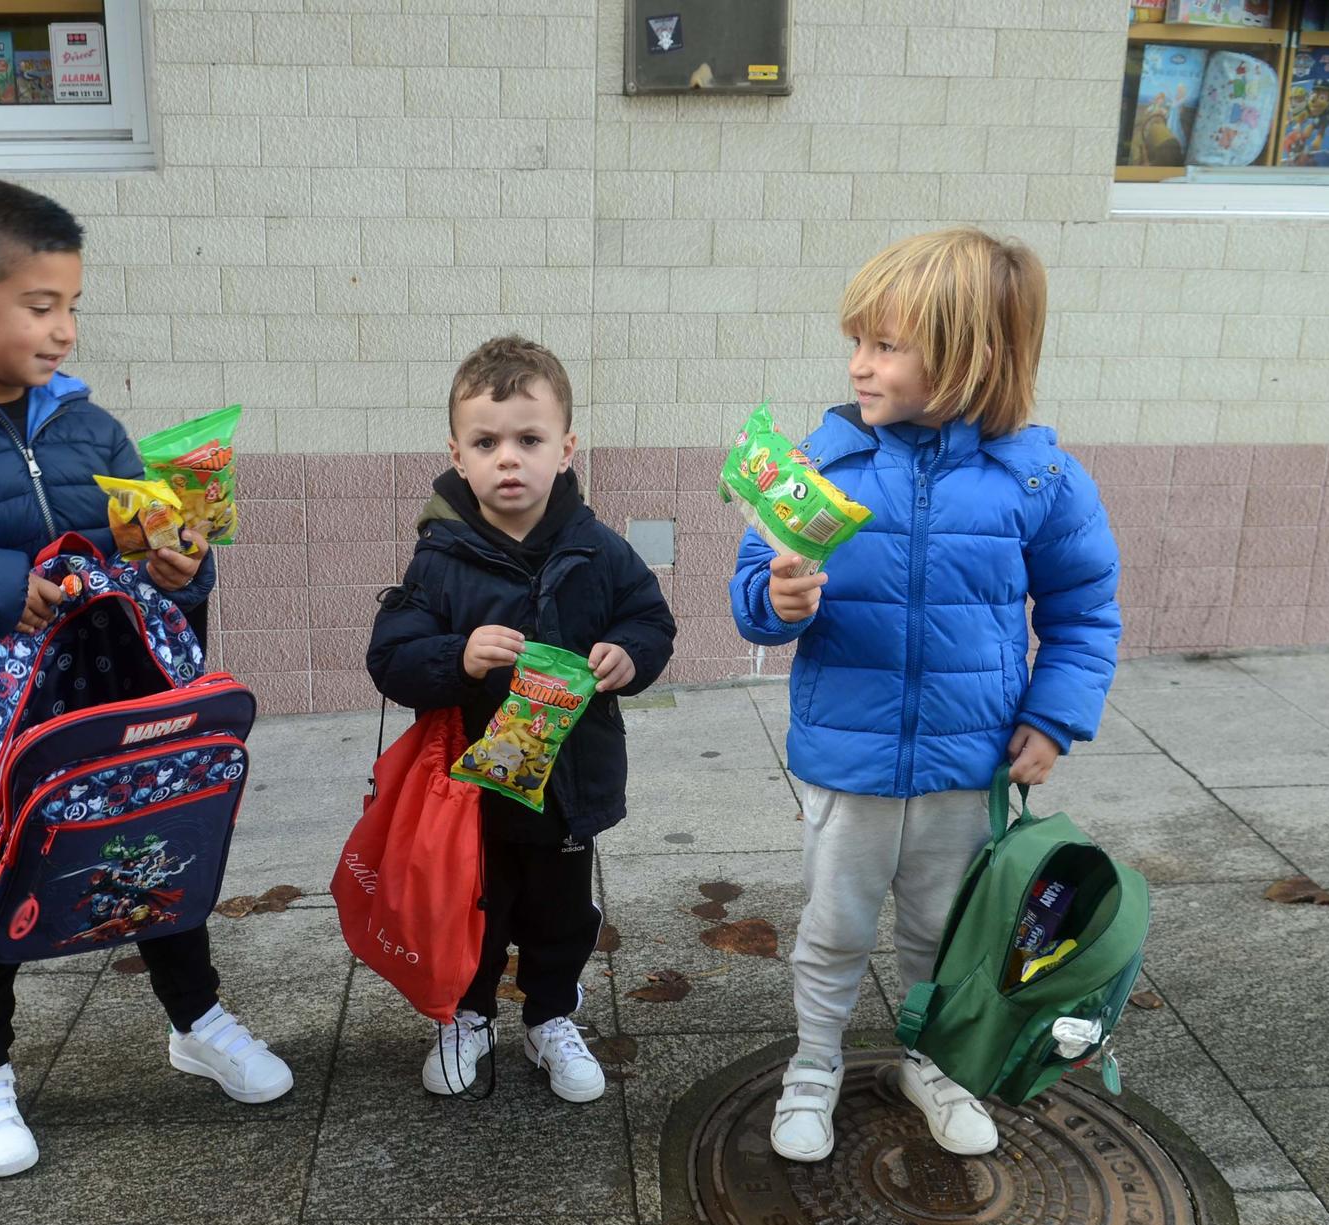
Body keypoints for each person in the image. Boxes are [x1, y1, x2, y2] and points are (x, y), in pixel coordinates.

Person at [0, 178, 290, 1179]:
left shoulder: (91, 429)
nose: (64, 329)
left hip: (112, 698)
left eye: (72, 304)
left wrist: (180, 559)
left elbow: (152, 544)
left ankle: (195, 1017)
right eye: (40, 306)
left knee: (159, 860)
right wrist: (2, 586)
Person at [728, 228, 1120, 1163]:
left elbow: (1085, 607)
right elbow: (754, 593)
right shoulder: (819, 464)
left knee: (948, 936)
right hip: (848, 756)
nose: (859, 365)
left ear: (971, 356)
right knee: (834, 928)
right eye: (857, 341)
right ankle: (815, 1063)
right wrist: (777, 600)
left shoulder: (1036, 479)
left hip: (967, 760)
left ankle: (932, 1058)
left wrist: (1054, 716)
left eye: (886, 345)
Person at [368, 335, 677, 1102]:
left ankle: (550, 1016)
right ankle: (465, 1015)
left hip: (569, 787)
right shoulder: (439, 557)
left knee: (560, 915)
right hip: (469, 795)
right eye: (486, 441)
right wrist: (457, 656)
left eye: (529, 439)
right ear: (457, 453)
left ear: (566, 448)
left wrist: (627, 656)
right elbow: (391, 656)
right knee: (475, 910)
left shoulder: (600, 550)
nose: (509, 458)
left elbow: (652, 621)